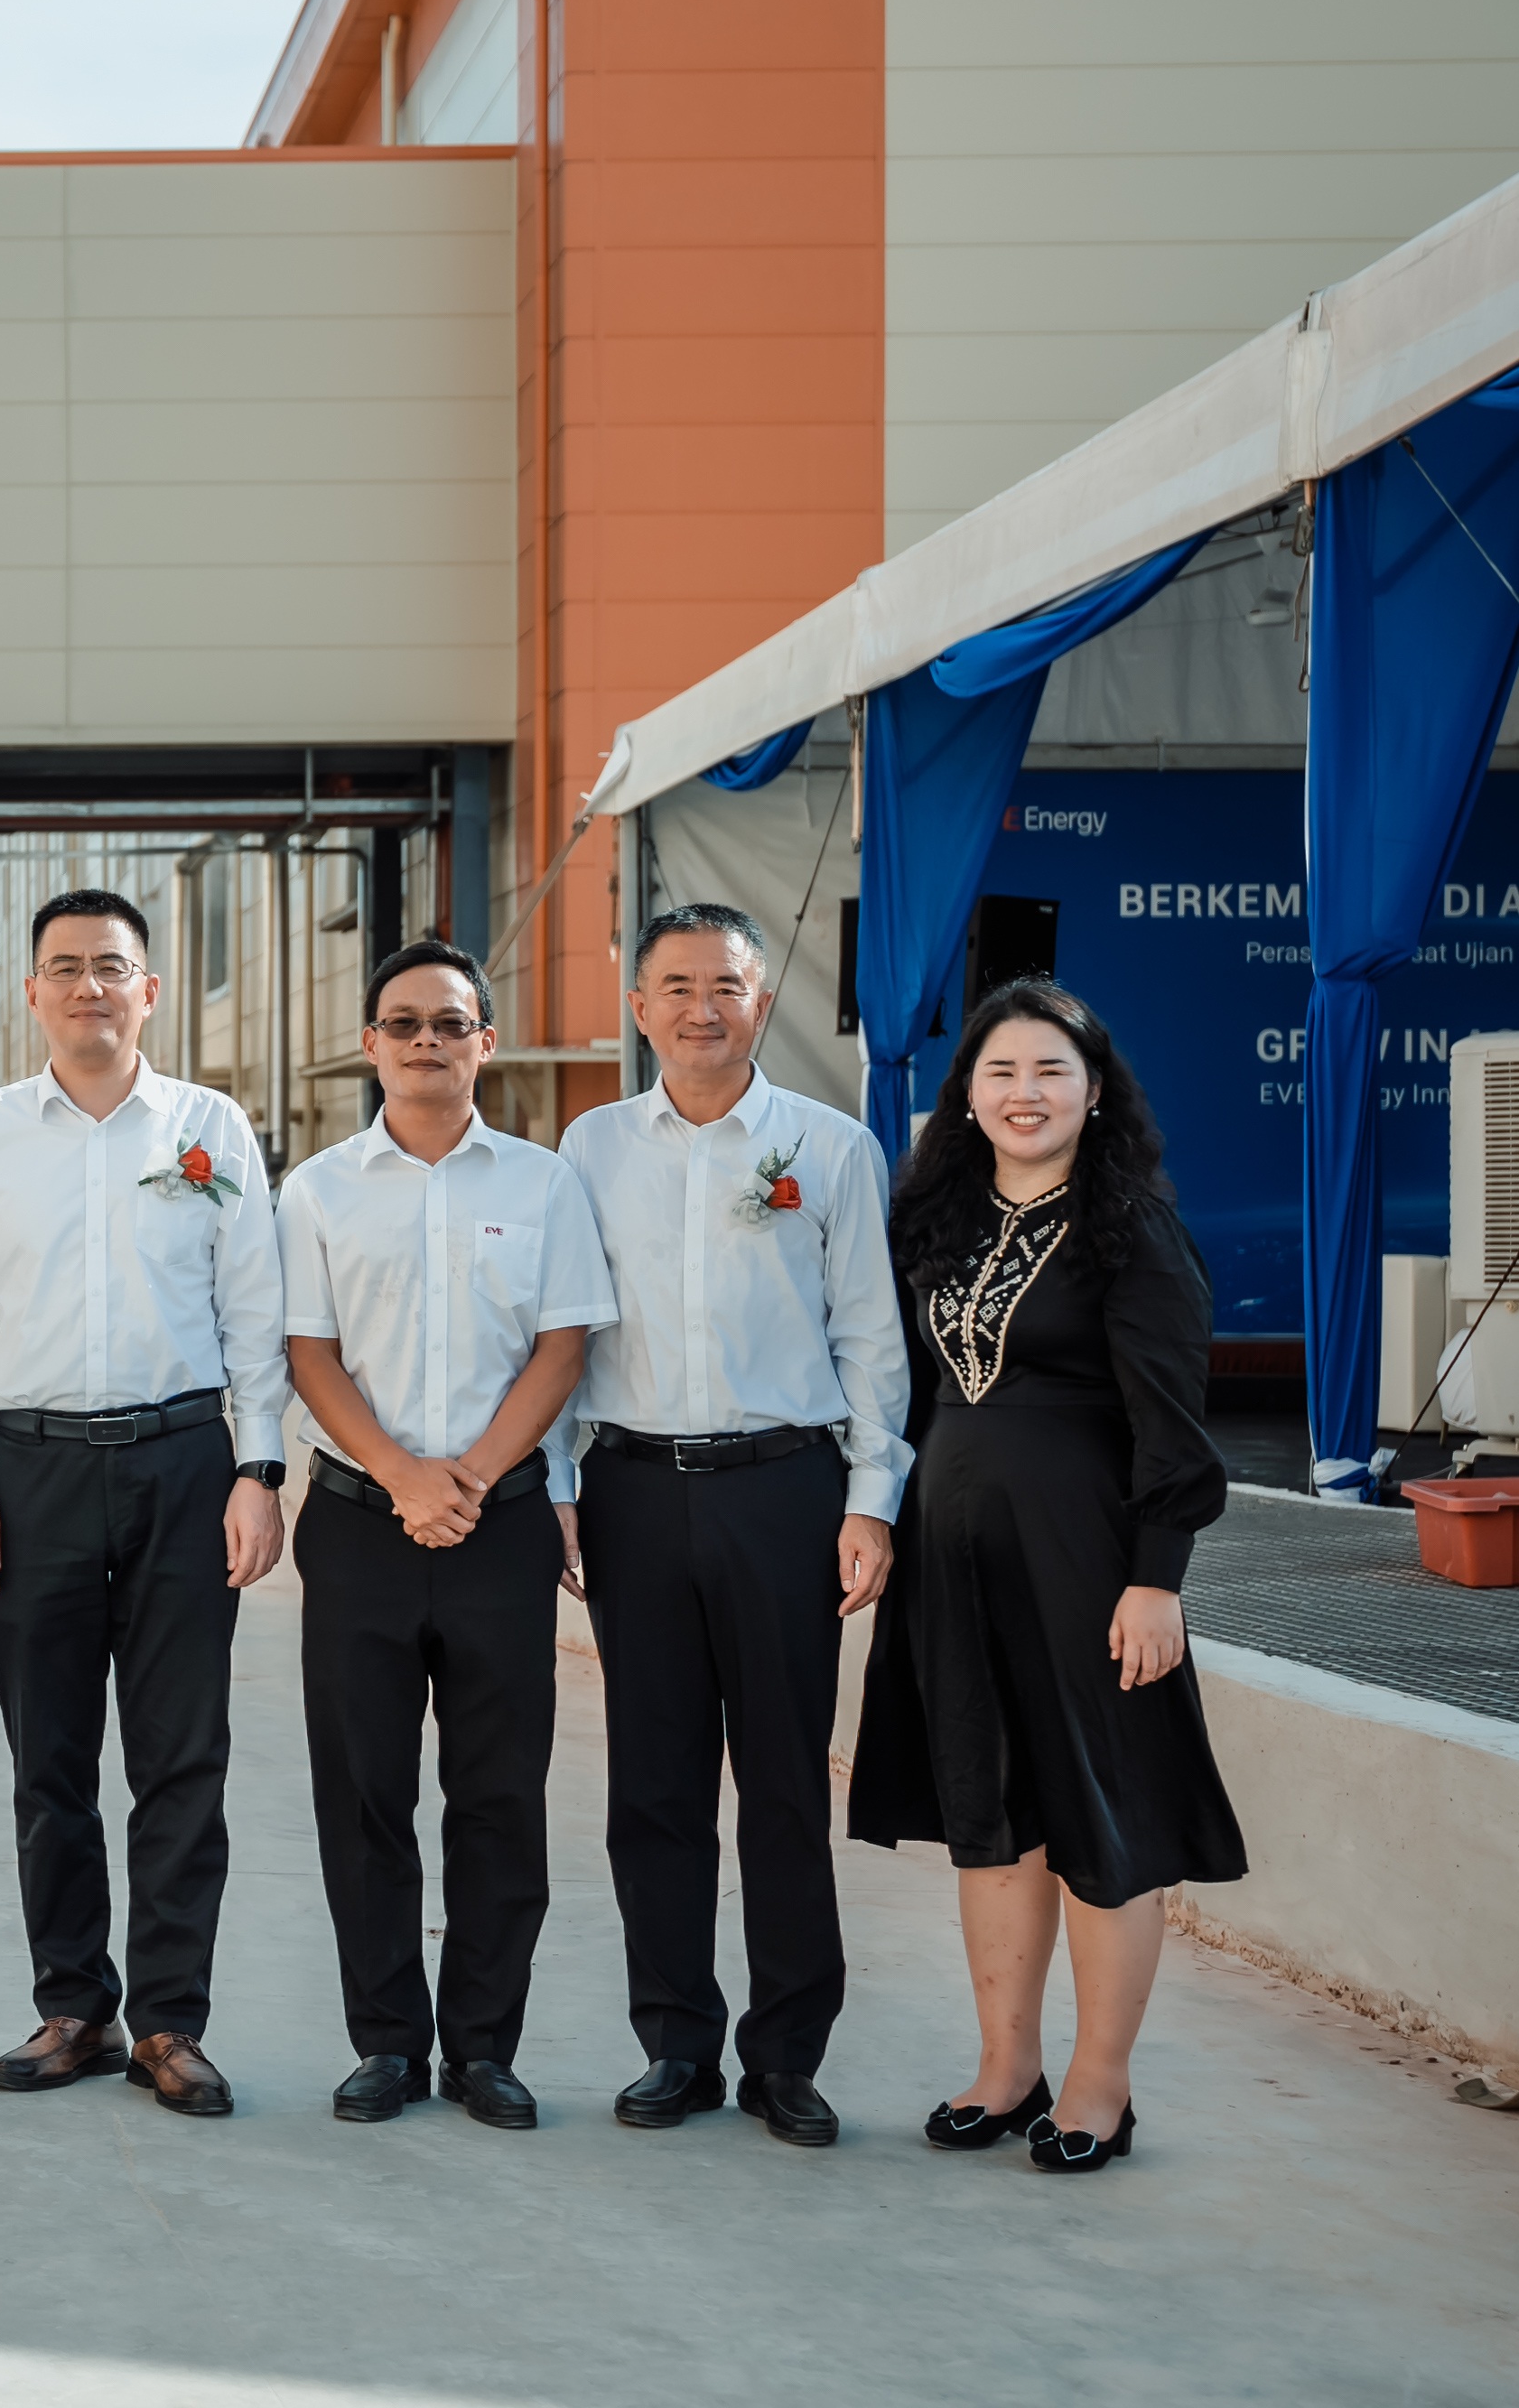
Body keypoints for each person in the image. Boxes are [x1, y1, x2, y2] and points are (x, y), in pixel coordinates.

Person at [847, 978, 1242, 2174]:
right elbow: (906, 1391)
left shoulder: (1132, 1229)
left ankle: (1099, 2085)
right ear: (967, 1095)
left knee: (1102, 1817)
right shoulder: (936, 1223)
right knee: (990, 1814)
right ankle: (1005, 2066)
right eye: (1002, 1072)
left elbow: (1174, 1426)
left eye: (1051, 1071)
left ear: (1094, 1091)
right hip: (952, 1563)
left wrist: (1156, 1579)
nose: (1025, 1093)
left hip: (1087, 1563)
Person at [0, 889, 287, 2120]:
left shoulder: (210, 1127)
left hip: (184, 1462)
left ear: (150, 989)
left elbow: (253, 1308)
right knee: (52, 1761)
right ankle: (74, 2006)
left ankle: (171, 2021)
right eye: (66, 966)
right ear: (33, 992)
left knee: (184, 1756)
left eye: (111, 966)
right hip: (32, 1471)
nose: (89, 986)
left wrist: (258, 1470)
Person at [559, 904, 907, 2148]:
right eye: (677, 986)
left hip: (784, 1490)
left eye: (726, 986)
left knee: (783, 1783)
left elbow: (870, 1335)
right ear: (640, 1006)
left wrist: (870, 1501)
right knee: (653, 1785)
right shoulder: (590, 1148)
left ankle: (787, 2056)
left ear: (763, 1002)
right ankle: (675, 2043)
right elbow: (564, 1329)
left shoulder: (833, 1146)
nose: (701, 1008)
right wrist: (557, 1486)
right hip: (634, 1490)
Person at [278, 938, 613, 2133]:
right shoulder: (318, 1189)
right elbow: (309, 1352)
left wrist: (464, 1478)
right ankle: (386, 2041)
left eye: (450, 1022)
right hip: (360, 1524)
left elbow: (563, 1346)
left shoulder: (543, 1184)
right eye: (405, 1022)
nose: (428, 1040)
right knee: (363, 1793)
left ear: (485, 1041)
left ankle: (482, 2048)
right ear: (370, 1043)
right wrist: (401, 1476)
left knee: (499, 1795)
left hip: (499, 1525)